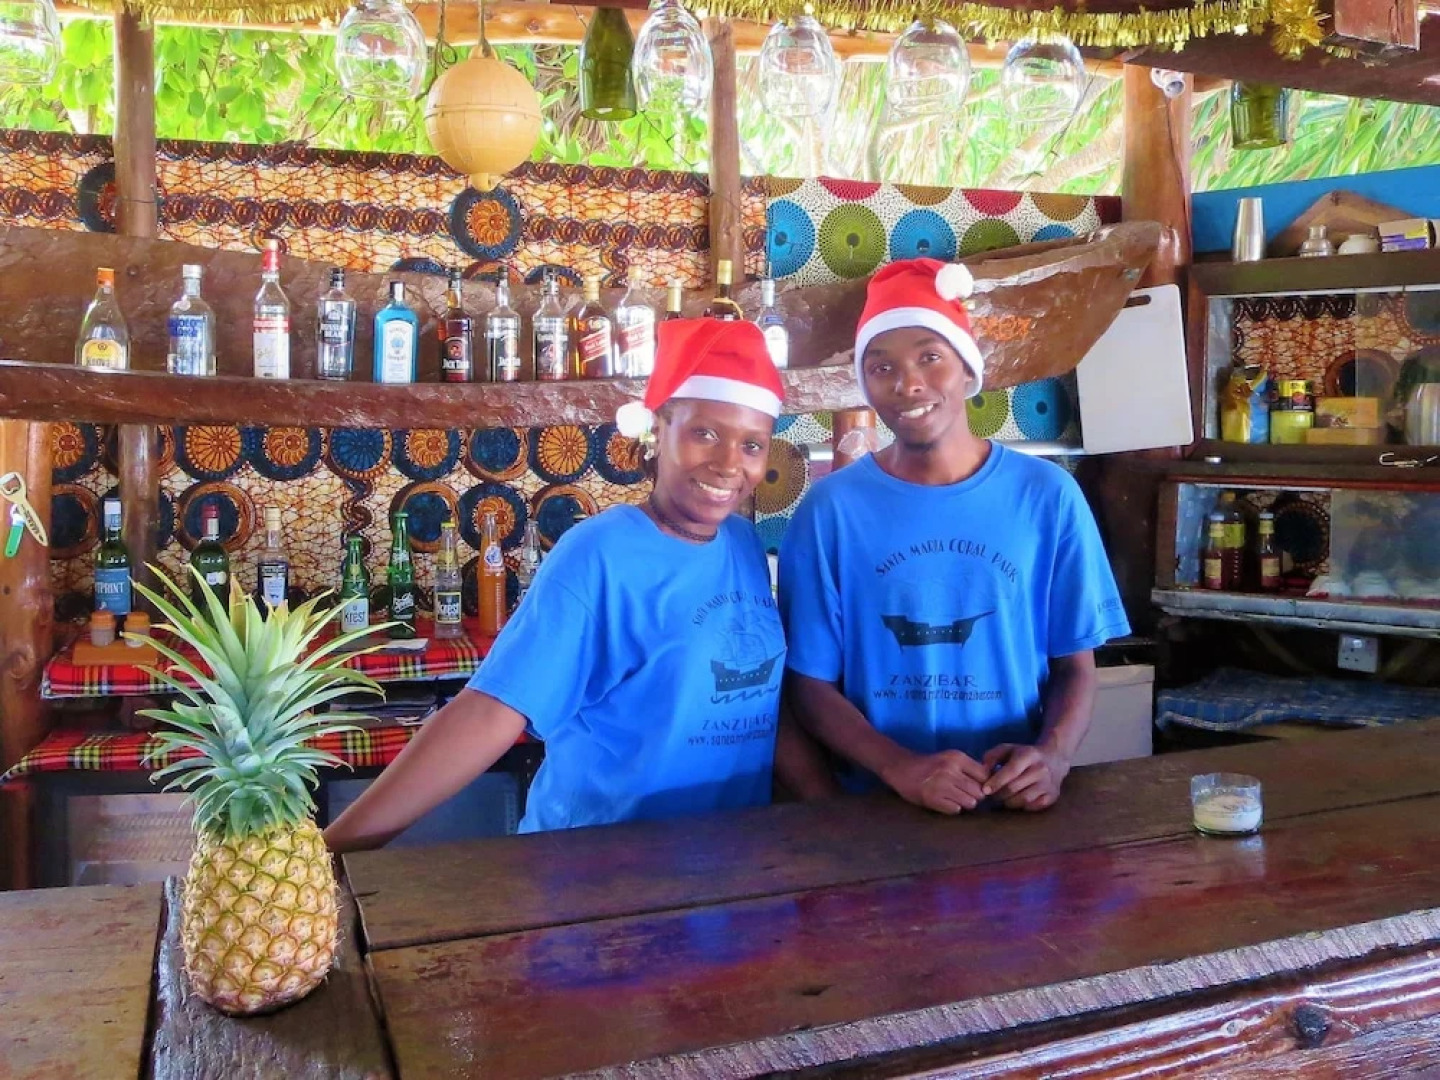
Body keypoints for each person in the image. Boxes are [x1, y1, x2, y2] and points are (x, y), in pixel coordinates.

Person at [326, 318, 828, 851]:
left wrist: (837, 815)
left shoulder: (744, 547)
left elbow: (759, 702)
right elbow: (490, 712)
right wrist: (337, 850)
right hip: (597, 871)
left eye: (752, 445)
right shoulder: (599, 554)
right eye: (705, 433)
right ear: (659, 431)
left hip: (720, 867)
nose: (730, 464)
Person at [779, 258, 1130, 816]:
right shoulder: (830, 511)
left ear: (968, 371)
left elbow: (1075, 665)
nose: (908, 383)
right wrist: (900, 768)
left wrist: (1054, 758)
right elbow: (810, 686)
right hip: (879, 811)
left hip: (1014, 810)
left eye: (930, 357)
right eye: (881, 366)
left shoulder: (1047, 496)